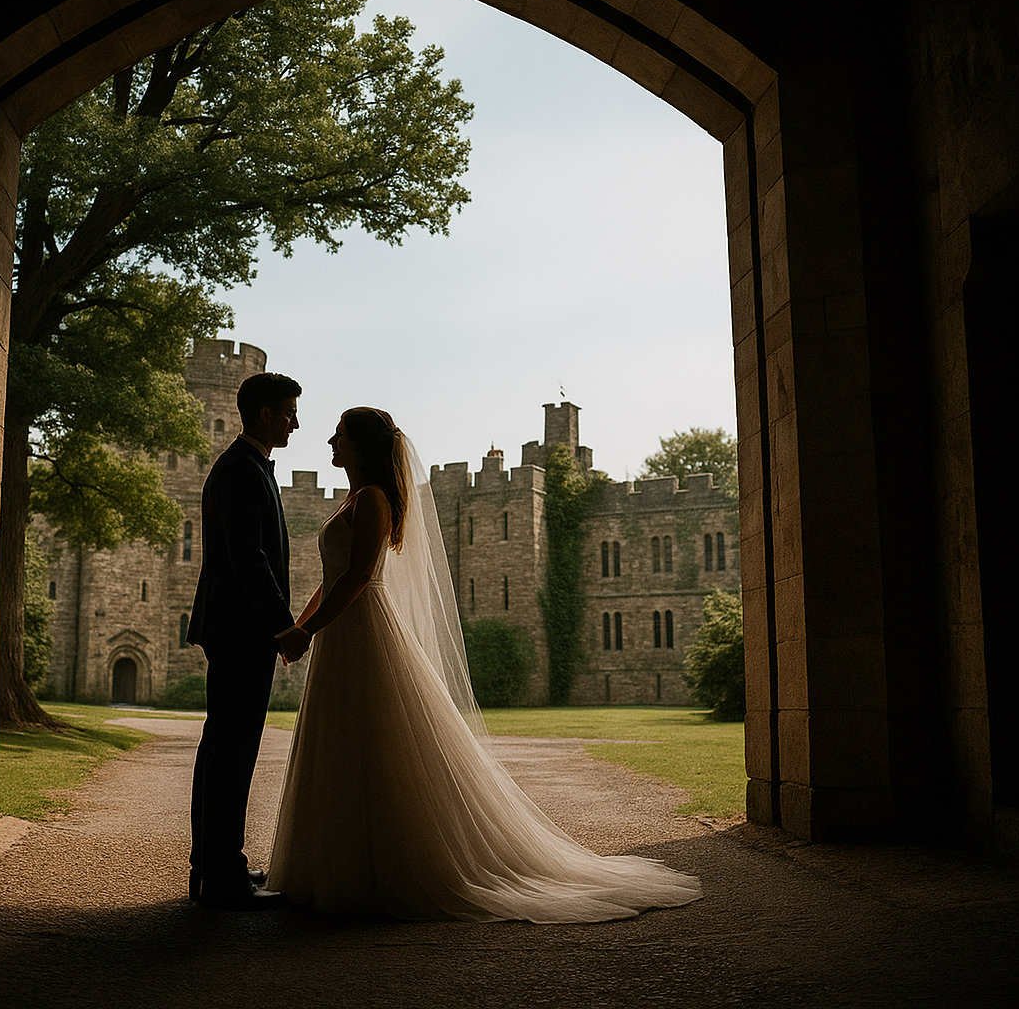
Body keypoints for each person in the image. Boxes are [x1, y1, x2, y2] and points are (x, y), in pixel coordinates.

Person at [268, 407, 702, 922]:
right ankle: (337, 866)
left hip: (363, 628)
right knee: (341, 741)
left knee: (375, 740)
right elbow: (333, 576)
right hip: (342, 630)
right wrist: (302, 623)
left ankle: (386, 870)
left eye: (339, 436)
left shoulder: (375, 501)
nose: (330, 442)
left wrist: (306, 631)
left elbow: (360, 575)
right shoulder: (354, 499)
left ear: (360, 446)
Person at [185, 371, 302, 910]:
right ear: (260, 414)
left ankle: (215, 865)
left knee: (227, 748)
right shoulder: (239, 470)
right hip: (241, 630)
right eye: (286, 412)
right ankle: (219, 873)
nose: (294, 422)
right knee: (231, 750)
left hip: (236, 628)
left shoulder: (248, 466)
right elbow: (249, 559)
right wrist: (283, 625)